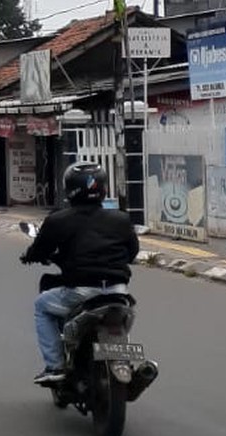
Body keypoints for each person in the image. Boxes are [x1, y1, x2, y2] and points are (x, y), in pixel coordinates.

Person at [22, 164, 139, 388]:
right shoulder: (121, 219)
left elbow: (40, 250)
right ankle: (127, 362)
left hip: (80, 292)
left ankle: (55, 366)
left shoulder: (58, 219)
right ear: (103, 189)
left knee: (41, 306)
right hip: (118, 291)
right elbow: (132, 252)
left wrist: (30, 256)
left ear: (69, 189)